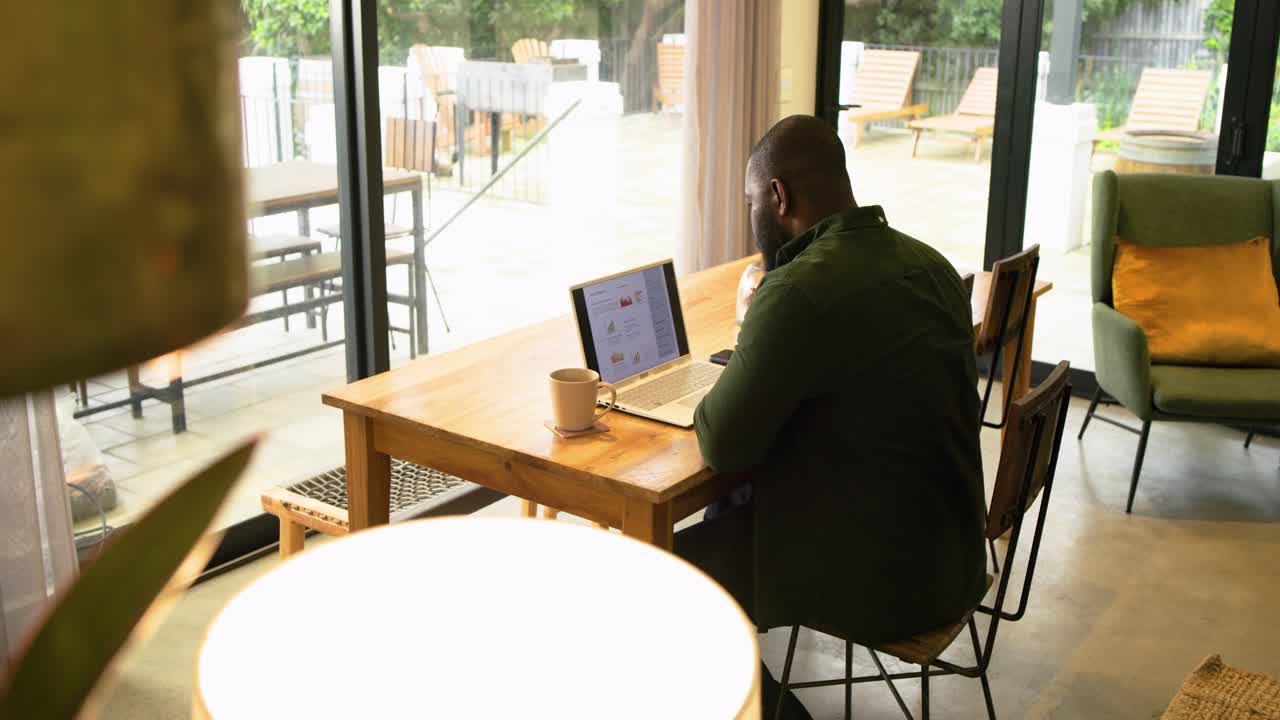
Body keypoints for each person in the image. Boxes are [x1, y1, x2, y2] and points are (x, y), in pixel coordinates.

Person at [677, 115, 987, 718]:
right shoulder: (934, 267)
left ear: (778, 196)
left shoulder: (796, 291)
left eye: (750, 202)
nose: (751, 217)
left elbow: (720, 443)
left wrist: (749, 350)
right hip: (951, 555)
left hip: (878, 577)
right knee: (731, 511)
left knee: (658, 570)